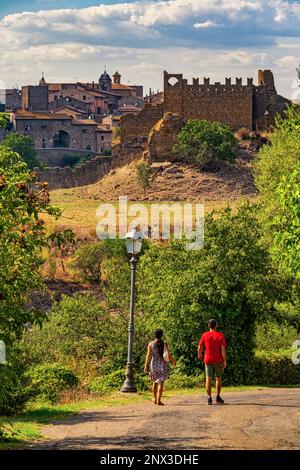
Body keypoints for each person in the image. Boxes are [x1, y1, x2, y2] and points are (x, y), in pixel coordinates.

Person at [144, 329, 176, 405]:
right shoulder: (164, 343)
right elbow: (167, 354)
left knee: (154, 382)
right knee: (161, 383)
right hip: (162, 365)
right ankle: (159, 400)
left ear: (154, 335)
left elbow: (148, 356)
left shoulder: (151, 344)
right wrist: (173, 361)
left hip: (153, 364)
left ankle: (154, 398)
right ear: (162, 335)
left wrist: (145, 366)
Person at [198, 319, 227, 405]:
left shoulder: (204, 335)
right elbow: (223, 349)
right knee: (218, 378)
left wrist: (199, 353)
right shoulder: (221, 335)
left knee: (208, 378)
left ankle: (209, 398)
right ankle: (217, 397)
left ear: (208, 326)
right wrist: (225, 360)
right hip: (218, 360)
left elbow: (200, 346)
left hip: (208, 359)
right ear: (216, 325)